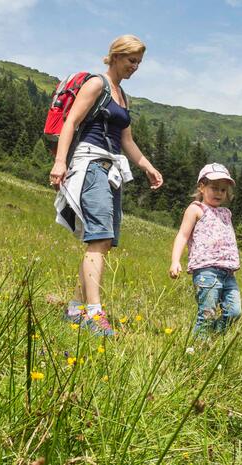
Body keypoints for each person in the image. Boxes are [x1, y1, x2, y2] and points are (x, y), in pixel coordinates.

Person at [50, 35, 164, 336]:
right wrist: (61, 162)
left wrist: (148, 167)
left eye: (139, 62)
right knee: (99, 239)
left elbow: (126, 140)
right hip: (90, 165)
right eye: (131, 60)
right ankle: (94, 314)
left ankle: (76, 307)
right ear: (115, 56)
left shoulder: (122, 96)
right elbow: (71, 122)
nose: (135, 67)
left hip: (112, 169)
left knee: (104, 241)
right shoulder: (96, 84)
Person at [169, 163, 242, 335]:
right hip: (206, 271)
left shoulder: (226, 213)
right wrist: (175, 261)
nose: (219, 193)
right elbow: (182, 235)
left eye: (223, 190)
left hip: (228, 273)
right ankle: (197, 350)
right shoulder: (196, 209)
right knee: (207, 313)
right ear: (202, 187)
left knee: (234, 312)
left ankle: (211, 336)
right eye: (214, 188)